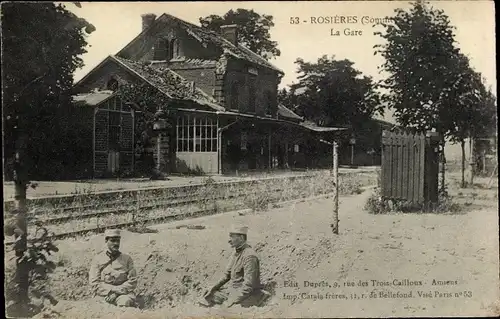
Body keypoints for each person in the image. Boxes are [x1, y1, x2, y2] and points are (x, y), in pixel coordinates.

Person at [199, 226, 270, 308]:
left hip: (247, 295)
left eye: (232, 237)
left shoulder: (250, 256)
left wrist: (232, 300)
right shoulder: (236, 253)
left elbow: (248, 286)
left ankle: (261, 297)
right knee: (208, 296)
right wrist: (212, 288)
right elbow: (226, 275)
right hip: (233, 291)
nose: (229, 240)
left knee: (229, 309)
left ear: (241, 238)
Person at [88, 229, 137, 307]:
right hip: (103, 294)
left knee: (125, 302)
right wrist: (110, 291)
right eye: (112, 240)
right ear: (106, 241)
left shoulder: (127, 259)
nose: (116, 243)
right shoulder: (97, 259)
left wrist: (117, 292)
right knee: (99, 307)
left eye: (118, 241)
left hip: (123, 294)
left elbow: (132, 281)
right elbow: (94, 282)